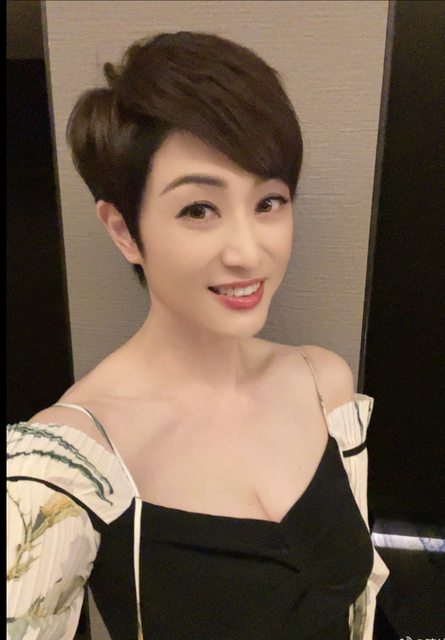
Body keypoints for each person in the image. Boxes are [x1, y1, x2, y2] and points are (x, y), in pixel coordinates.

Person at [7, 30, 389, 640]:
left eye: (269, 202)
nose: (248, 252)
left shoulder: (325, 387)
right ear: (124, 231)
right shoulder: (71, 462)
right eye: (198, 210)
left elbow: (359, 604)